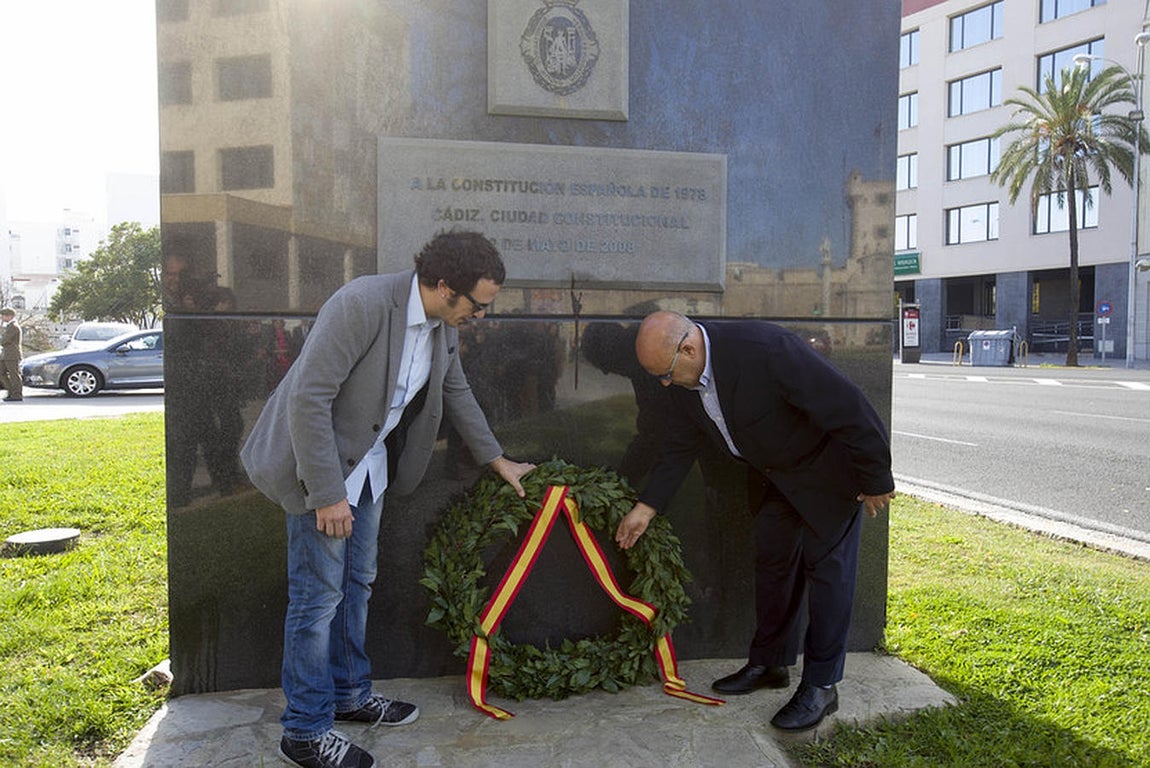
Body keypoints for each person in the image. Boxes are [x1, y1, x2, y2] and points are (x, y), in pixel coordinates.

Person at [240, 231, 535, 768]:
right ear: (445, 286)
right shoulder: (362, 304)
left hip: (370, 471)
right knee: (316, 601)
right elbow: (309, 397)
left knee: (357, 583)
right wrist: (327, 495)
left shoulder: (443, 326)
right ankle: (304, 731)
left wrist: (497, 459)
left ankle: (350, 695)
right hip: (321, 472)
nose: (482, 316)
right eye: (479, 304)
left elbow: (456, 391)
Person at [614, 310, 895, 731]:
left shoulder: (765, 348)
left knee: (828, 576)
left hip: (827, 475)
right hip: (775, 480)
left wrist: (876, 479)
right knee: (773, 567)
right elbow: (679, 445)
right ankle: (769, 664)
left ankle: (821, 686)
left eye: (668, 374)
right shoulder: (681, 379)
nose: (666, 384)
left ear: (688, 348)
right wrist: (647, 506)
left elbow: (847, 404)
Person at [0, 307, 23, 402]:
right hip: (6, 354)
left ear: (9, 316)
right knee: (1, 373)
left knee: (14, 374)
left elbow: (4, 340)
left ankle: (17, 394)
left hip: (12, 354)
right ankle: (11, 391)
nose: (1, 318)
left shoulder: (13, 326)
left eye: (3, 316)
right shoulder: (9, 326)